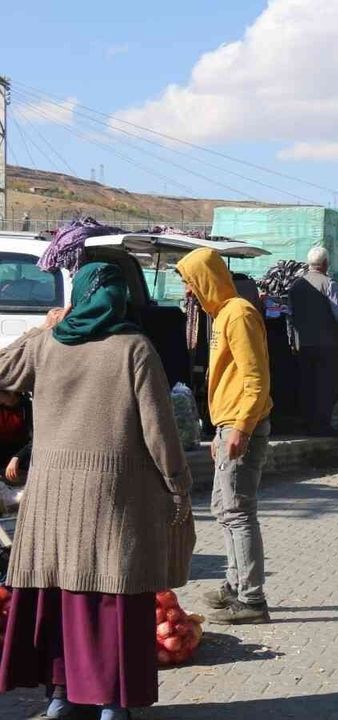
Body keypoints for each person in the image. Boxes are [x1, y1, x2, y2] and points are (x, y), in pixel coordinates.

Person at [0, 263, 195, 719]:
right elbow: (159, 430)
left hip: (50, 498)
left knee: (63, 594)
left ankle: (61, 697)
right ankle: (111, 704)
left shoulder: (47, 345)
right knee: (112, 599)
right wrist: (178, 483)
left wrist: (43, 328)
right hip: (115, 498)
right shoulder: (134, 348)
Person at [177, 248, 274, 625]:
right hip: (228, 425)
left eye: (189, 281)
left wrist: (241, 428)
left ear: (205, 279)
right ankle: (235, 585)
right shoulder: (221, 316)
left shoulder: (239, 313)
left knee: (238, 511)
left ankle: (251, 599)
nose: (187, 291)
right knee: (224, 507)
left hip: (241, 425)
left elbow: (256, 379)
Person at [288, 247, 338, 436]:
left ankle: (308, 423)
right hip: (328, 345)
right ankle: (322, 426)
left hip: (304, 344)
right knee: (326, 385)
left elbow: (290, 315)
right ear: (326, 264)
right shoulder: (329, 284)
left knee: (307, 384)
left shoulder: (296, 286)